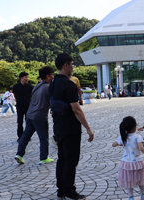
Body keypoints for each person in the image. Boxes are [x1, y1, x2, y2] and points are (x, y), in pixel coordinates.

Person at [49, 53, 94, 200]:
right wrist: (88, 128)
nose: (73, 67)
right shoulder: (69, 84)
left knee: (61, 159)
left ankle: (61, 190)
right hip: (70, 129)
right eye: (72, 64)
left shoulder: (53, 83)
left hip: (58, 127)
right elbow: (76, 109)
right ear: (66, 66)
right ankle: (69, 190)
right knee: (70, 161)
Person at [15, 66, 55, 165]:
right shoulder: (48, 88)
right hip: (40, 116)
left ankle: (19, 154)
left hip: (30, 114)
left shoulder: (37, 86)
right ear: (48, 76)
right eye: (52, 75)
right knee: (43, 137)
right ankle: (43, 158)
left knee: (25, 135)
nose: (53, 76)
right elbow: (52, 101)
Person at [112, 116, 144, 200]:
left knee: (129, 180)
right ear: (134, 127)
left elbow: (113, 144)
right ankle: (143, 194)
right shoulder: (137, 137)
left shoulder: (122, 137)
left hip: (126, 163)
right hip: (137, 162)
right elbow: (142, 148)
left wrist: (122, 143)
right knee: (140, 178)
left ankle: (131, 197)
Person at [13, 72, 33, 141]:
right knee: (20, 122)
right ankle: (20, 136)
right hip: (20, 106)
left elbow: (31, 95)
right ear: (21, 78)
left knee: (28, 121)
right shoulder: (16, 86)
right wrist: (18, 101)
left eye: (27, 77)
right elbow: (14, 95)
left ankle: (28, 136)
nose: (27, 78)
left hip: (28, 106)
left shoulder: (30, 86)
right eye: (25, 77)